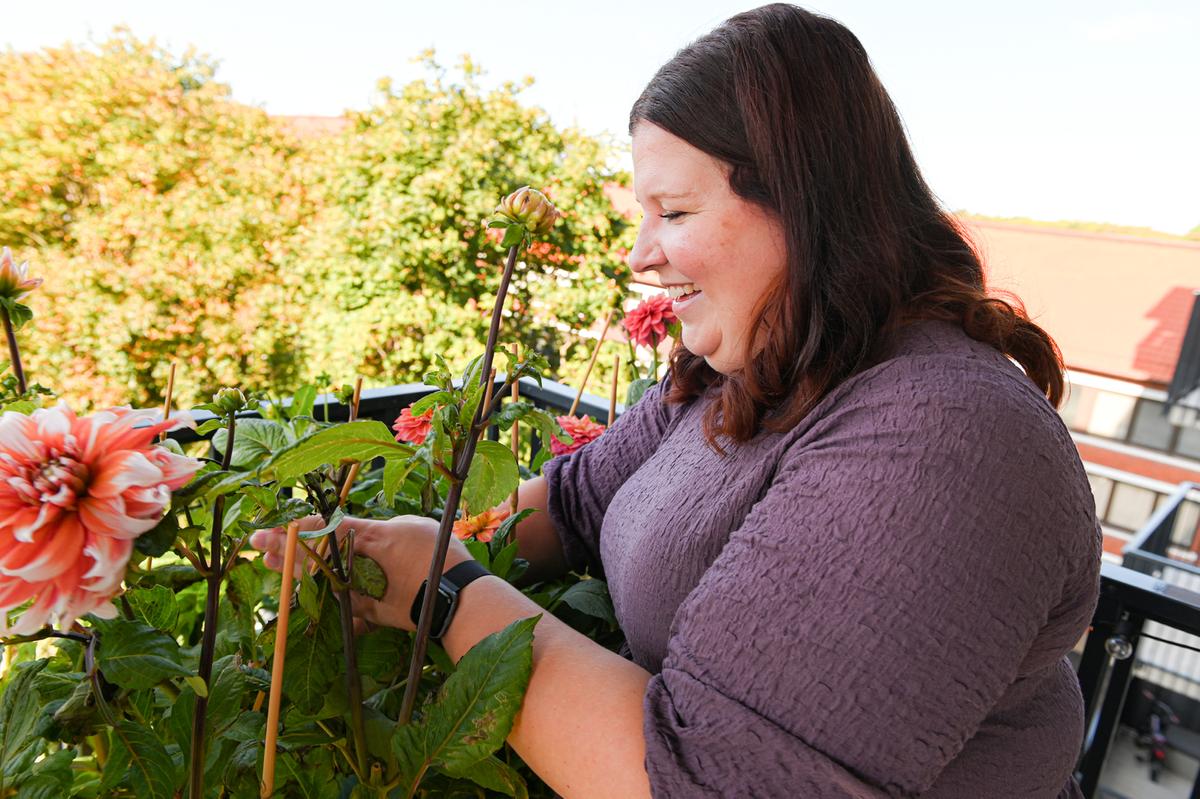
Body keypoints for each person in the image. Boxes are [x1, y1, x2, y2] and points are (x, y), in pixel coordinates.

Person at [253, 4, 1101, 796]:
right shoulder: (752, 373)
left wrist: (437, 591)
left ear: (802, 207)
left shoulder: (945, 437)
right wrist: (379, 545)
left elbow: (707, 776)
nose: (639, 255)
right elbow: (577, 503)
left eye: (674, 210)